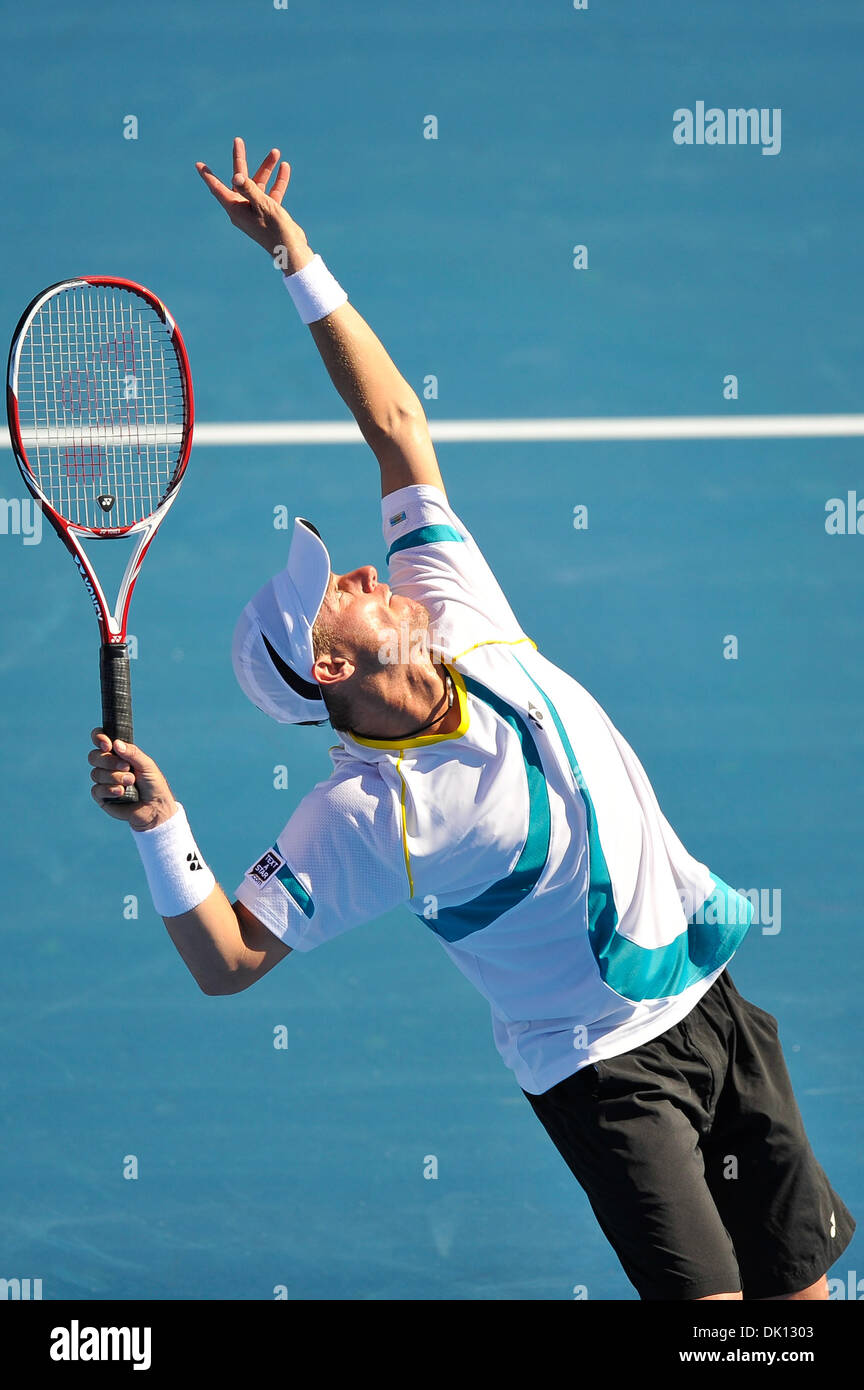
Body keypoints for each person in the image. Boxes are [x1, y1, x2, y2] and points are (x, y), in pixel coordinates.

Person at [88, 137, 854, 1301]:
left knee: (803, 1303)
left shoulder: (454, 608)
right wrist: (162, 824)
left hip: (708, 992)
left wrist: (296, 257)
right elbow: (230, 958)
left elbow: (396, 424)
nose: (355, 567)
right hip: (605, 1074)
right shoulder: (366, 814)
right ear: (331, 664)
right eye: (335, 590)